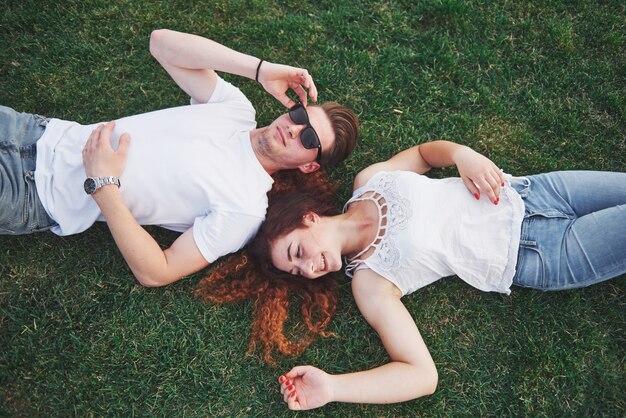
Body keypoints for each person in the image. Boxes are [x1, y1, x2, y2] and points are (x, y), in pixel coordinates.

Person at [198, 140, 625, 410]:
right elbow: (422, 376)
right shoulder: (370, 282)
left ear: (308, 218)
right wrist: (332, 387)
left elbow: (423, 155)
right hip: (542, 254)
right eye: (298, 271)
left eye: (297, 252)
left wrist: (462, 155)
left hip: (535, 191)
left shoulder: (369, 181)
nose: (310, 268)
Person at [0, 29, 359, 287]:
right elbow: (162, 44)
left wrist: (104, 186)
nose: (294, 129)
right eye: (299, 116)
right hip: (36, 132)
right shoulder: (236, 109)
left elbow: (158, 271)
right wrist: (260, 70)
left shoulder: (244, 210)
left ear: (309, 165)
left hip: (35, 195)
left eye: (308, 138)